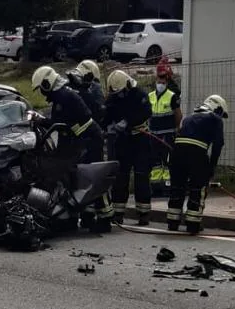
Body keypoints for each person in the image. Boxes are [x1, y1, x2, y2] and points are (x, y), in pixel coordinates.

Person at [32, 65, 113, 233]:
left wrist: (42, 122)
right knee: (76, 179)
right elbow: (61, 123)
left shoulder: (64, 96)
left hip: (89, 140)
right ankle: (83, 218)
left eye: (41, 88)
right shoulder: (61, 96)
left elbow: (63, 123)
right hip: (82, 140)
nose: (42, 92)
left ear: (47, 84)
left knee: (93, 177)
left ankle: (105, 218)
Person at [167, 94, 228, 234]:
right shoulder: (215, 119)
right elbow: (218, 145)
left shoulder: (189, 118)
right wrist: (211, 167)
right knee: (197, 188)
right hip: (197, 154)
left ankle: (172, 222)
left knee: (177, 187)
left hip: (177, 154)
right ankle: (193, 224)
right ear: (217, 108)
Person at [104, 69, 153, 226]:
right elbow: (107, 113)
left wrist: (127, 122)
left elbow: (146, 112)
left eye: (120, 92)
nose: (118, 95)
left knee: (141, 175)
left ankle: (143, 213)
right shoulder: (113, 97)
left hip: (141, 139)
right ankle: (118, 213)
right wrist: (107, 125)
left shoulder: (139, 94)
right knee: (121, 176)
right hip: (122, 141)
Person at [147, 61, 183, 196]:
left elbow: (178, 114)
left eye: (163, 79)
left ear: (166, 81)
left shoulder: (172, 96)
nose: (161, 82)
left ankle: (168, 187)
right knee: (155, 161)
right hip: (153, 134)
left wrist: (176, 128)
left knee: (168, 161)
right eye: (159, 79)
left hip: (168, 134)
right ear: (156, 79)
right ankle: (156, 186)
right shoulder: (150, 96)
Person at [65, 59, 106, 127]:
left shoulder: (69, 85)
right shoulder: (94, 87)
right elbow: (100, 110)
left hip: (70, 125)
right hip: (90, 127)